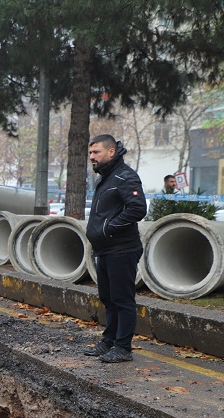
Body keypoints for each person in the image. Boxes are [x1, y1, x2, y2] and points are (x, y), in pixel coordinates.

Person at [84, 135, 148, 363]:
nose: (92, 157)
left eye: (96, 152)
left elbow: (138, 209)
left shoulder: (124, 176)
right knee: (108, 298)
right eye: (90, 153)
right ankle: (109, 341)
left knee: (122, 300)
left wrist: (109, 228)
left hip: (122, 249)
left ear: (111, 152)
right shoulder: (107, 177)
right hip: (106, 249)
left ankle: (123, 347)